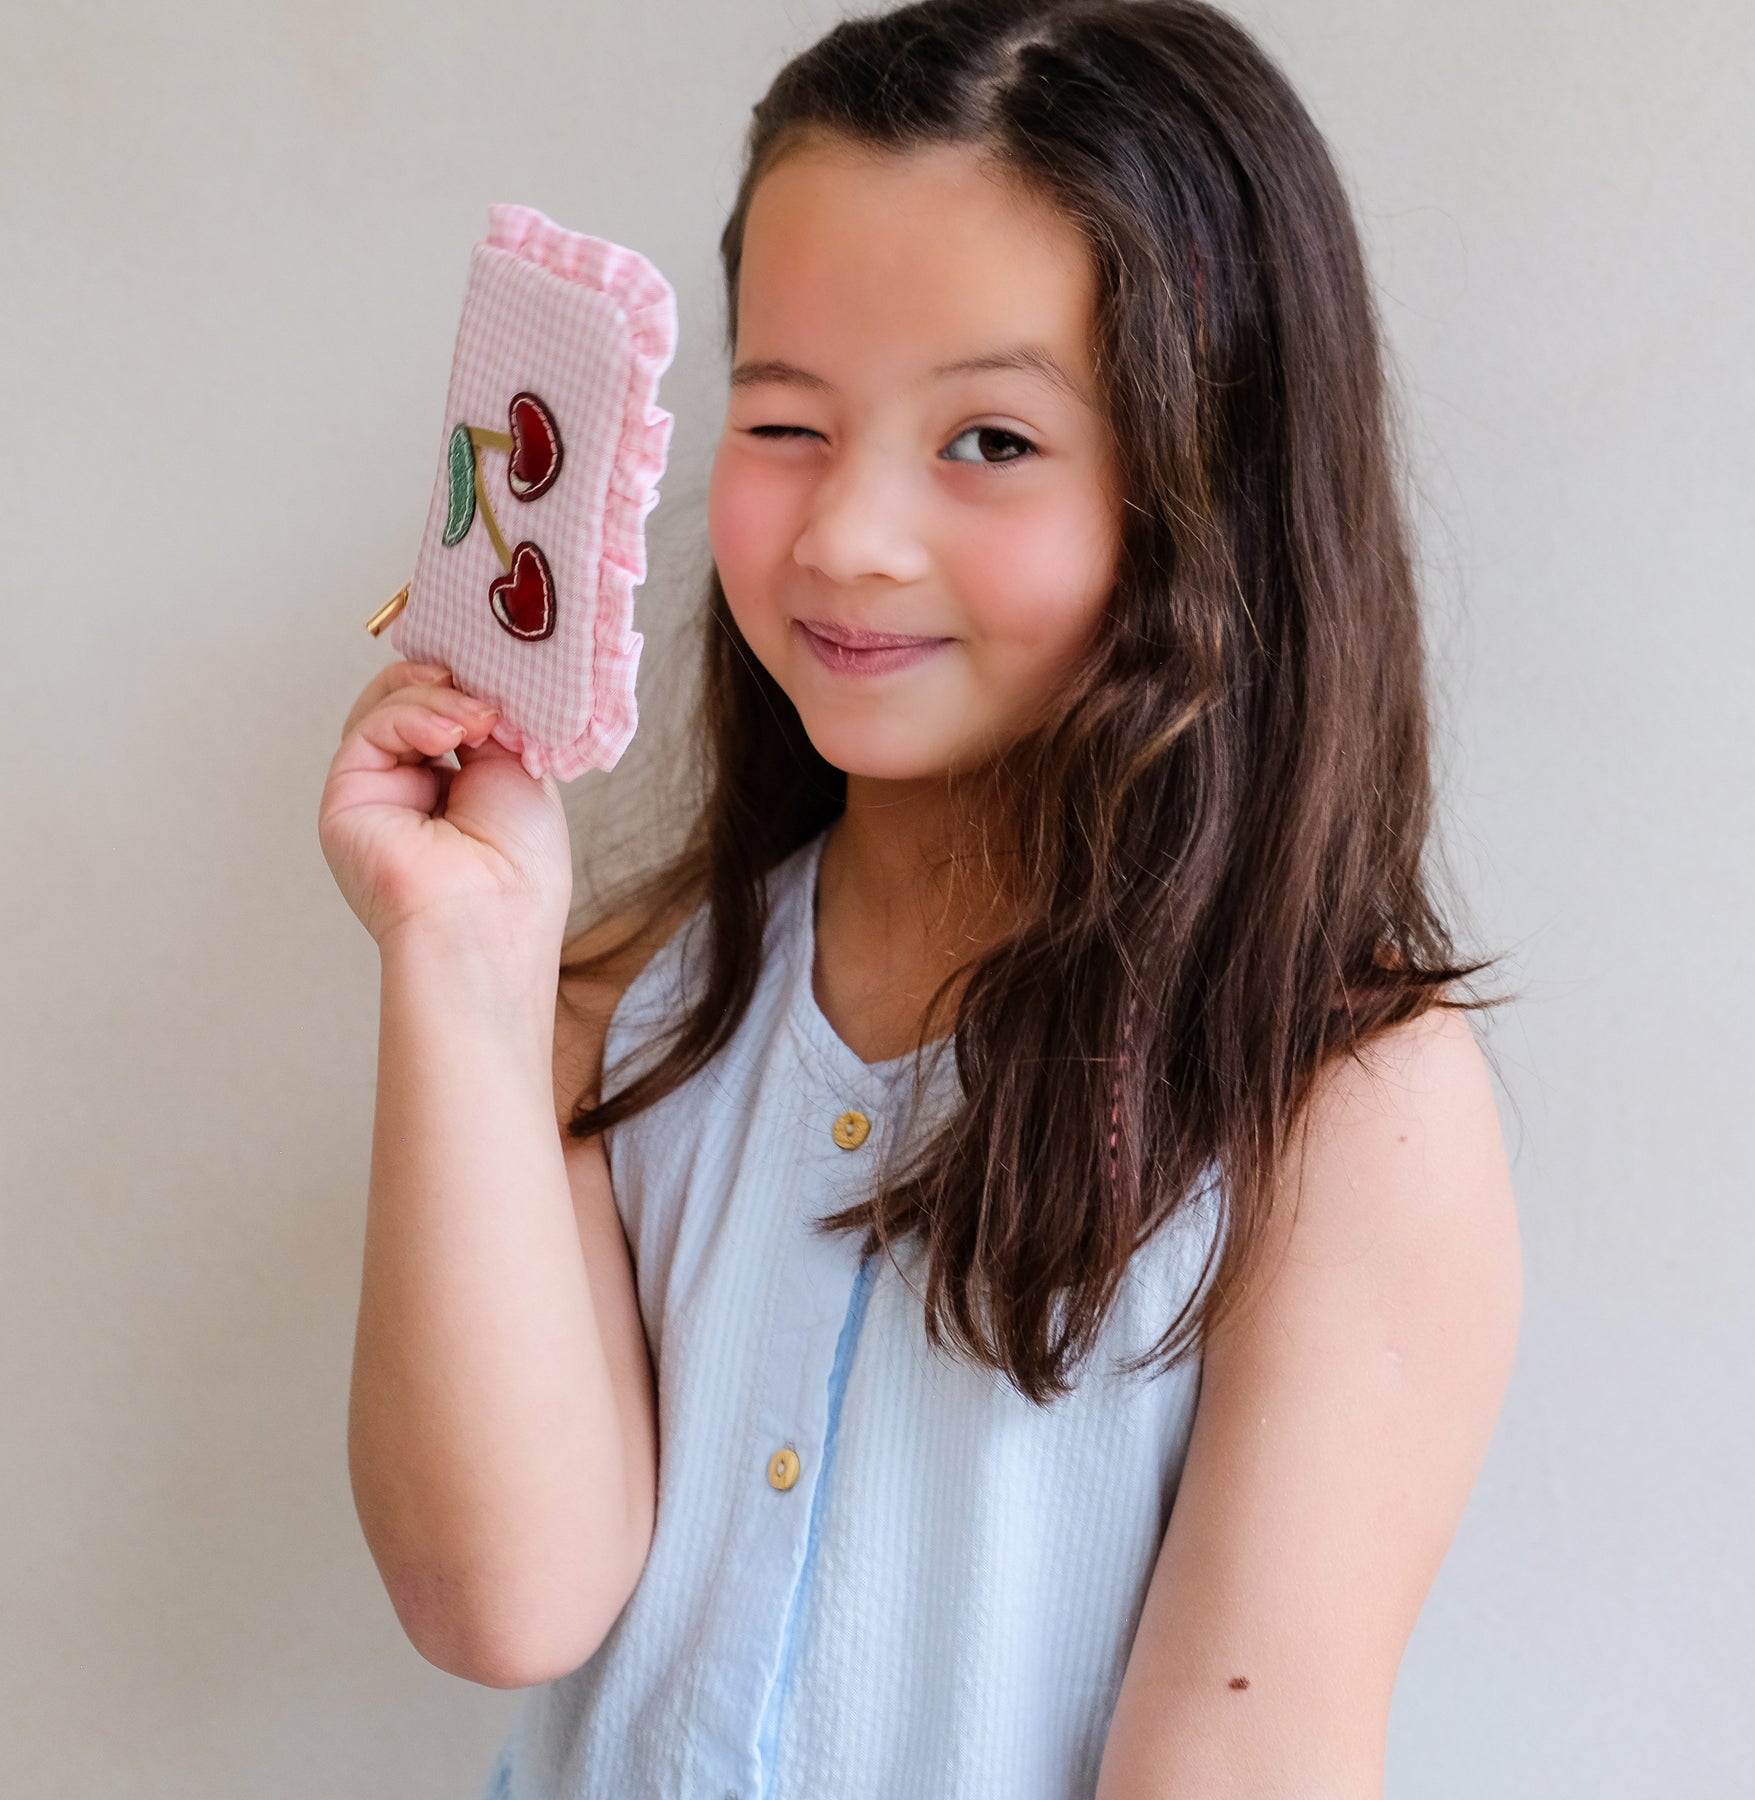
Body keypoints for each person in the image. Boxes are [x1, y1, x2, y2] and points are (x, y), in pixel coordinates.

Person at [318, 3, 1522, 1794]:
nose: (847, 538)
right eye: (786, 421)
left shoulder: (1342, 1110)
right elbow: (499, 1600)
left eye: (992, 441)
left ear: (1211, 484)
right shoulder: (620, 1005)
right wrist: (458, 960)